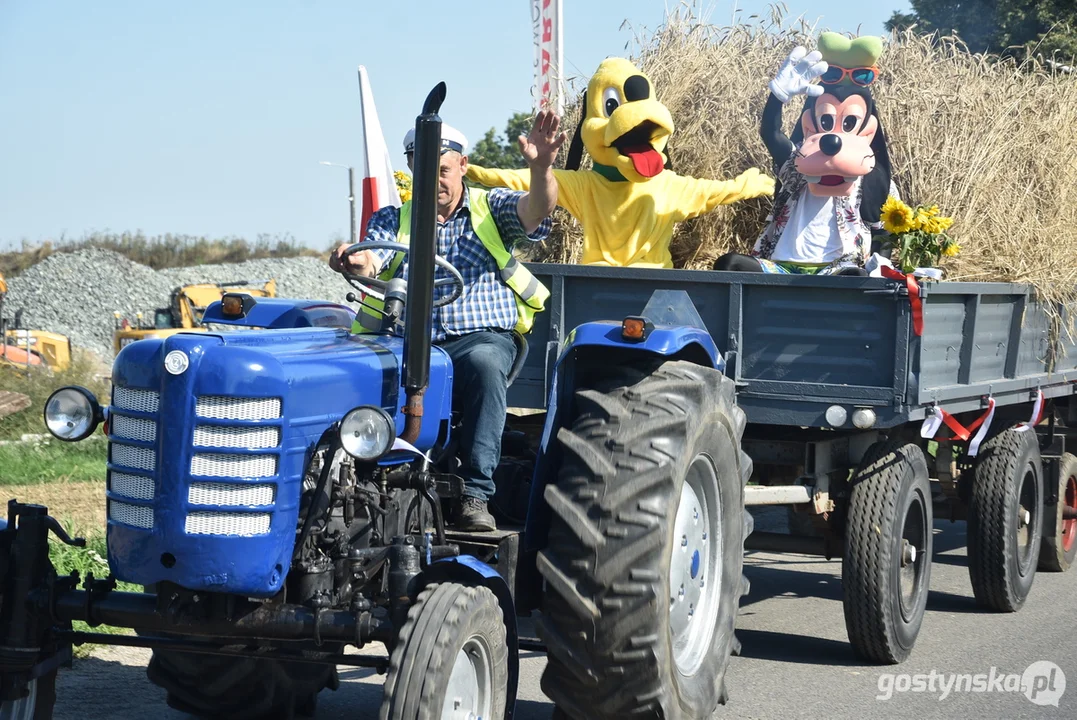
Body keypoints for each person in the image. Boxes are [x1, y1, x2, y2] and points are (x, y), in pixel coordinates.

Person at [329, 111, 564, 531]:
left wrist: (541, 166)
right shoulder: (393, 219)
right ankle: (359, 482)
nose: (433, 180)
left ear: (463, 167)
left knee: (485, 366)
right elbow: (372, 258)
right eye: (423, 171)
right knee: (357, 371)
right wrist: (354, 259)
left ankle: (475, 494)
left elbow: (536, 210)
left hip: (477, 338)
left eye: (442, 170)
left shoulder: (488, 209)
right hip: (410, 341)